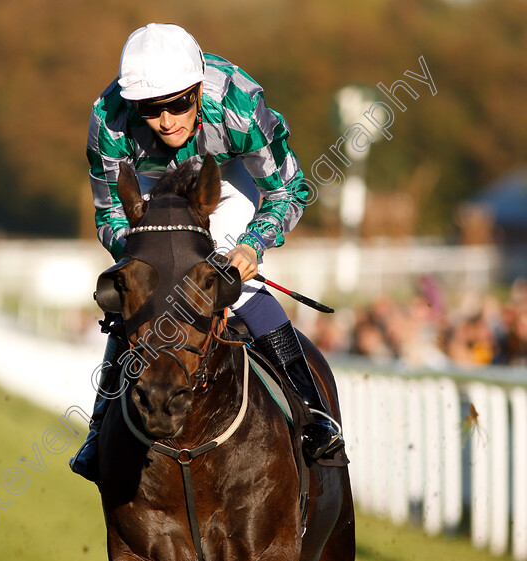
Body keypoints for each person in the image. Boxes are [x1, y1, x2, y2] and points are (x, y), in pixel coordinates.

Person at [70, 23, 342, 482]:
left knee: (230, 286)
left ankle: (314, 415)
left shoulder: (238, 104)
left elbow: (289, 190)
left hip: (225, 178)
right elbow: (110, 215)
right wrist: (143, 254)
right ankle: (100, 426)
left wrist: (251, 246)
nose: (167, 120)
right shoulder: (109, 117)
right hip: (151, 191)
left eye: (179, 103)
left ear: (198, 87)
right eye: (151, 109)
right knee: (141, 290)